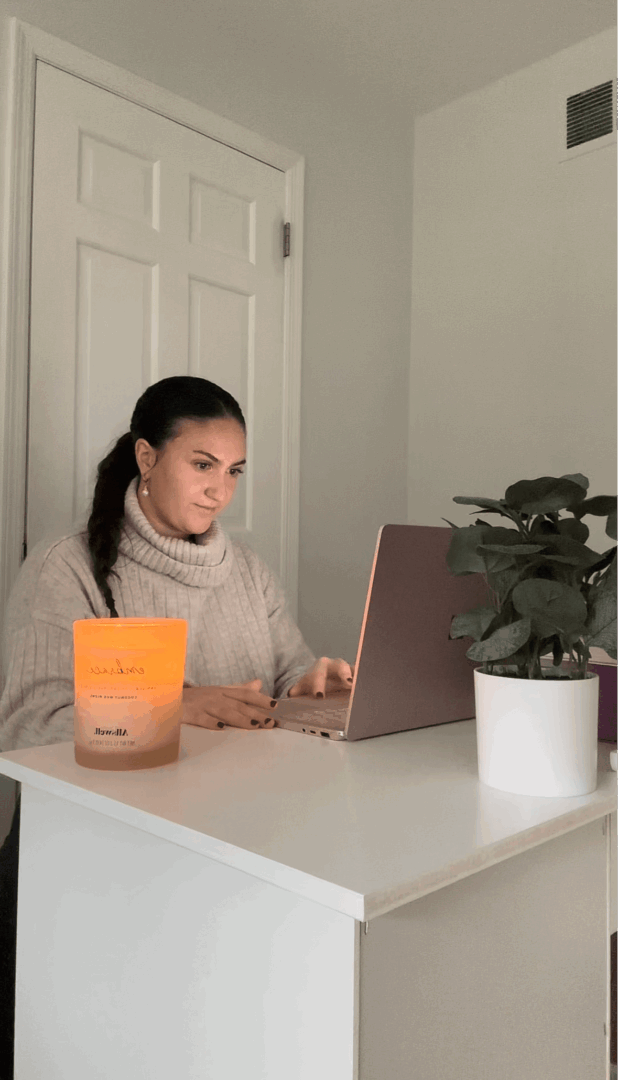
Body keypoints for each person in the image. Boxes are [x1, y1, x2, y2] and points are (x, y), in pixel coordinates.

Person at [0, 374, 354, 1075]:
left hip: (229, 843)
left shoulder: (248, 572)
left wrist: (313, 684)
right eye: (202, 464)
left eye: (234, 472)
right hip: (88, 867)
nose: (220, 490)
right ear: (146, 457)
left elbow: (284, 677)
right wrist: (173, 703)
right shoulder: (66, 566)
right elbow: (29, 726)